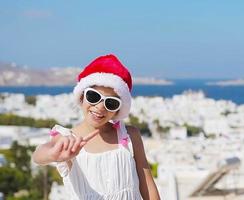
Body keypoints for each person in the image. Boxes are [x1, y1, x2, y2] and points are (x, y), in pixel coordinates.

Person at [32, 54, 161, 200]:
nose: (100, 107)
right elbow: (38, 155)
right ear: (81, 97)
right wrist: (53, 155)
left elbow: (147, 185)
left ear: (118, 110)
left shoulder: (130, 136)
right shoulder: (68, 139)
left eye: (110, 103)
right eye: (93, 97)